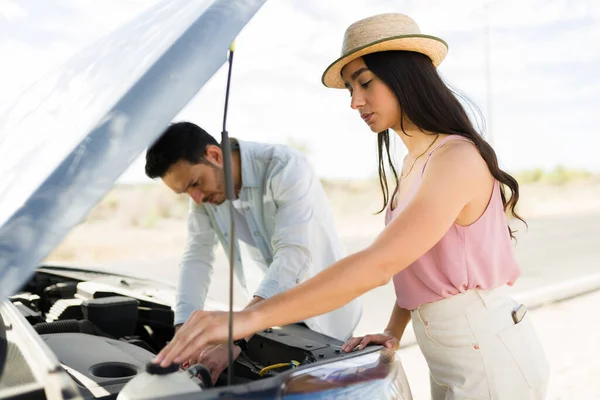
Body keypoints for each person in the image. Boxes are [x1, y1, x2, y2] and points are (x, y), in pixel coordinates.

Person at [153, 13, 550, 399]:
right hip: (452, 356)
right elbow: (419, 264)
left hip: (490, 354)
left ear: (405, 76)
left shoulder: (455, 158)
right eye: (349, 90)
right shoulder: (415, 163)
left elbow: (379, 264)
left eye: (364, 83)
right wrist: (394, 330)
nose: (355, 102)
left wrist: (246, 320)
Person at [144, 121, 362, 383]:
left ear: (214, 155)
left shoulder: (284, 166)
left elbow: (293, 254)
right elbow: (196, 258)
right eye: (186, 192)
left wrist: (236, 334)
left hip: (328, 321)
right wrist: (184, 336)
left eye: (195, 183)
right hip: (267, 319)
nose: (197, 198)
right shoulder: (207, 193)